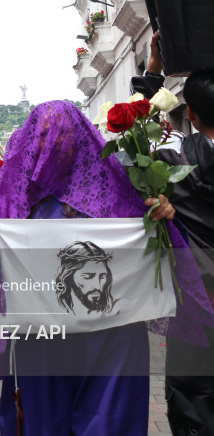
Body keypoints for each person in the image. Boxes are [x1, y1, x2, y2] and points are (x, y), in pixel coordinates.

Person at [0, 100, 214, 435]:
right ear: (31, 140)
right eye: (43, 135)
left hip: (112, 339)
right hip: (43, 341)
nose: (53, 143)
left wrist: (164, 218)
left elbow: (165, 254)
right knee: (45, 424)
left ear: (81, 136)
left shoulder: (121, 186)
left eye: (63, 134)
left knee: (111, 421)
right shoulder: (13, 199)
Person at [146, 67, 214, 432]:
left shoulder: (172, 167)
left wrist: (151, 74)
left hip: (197, 302)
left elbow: (131, 140)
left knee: (193, 401)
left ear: (191, 113)